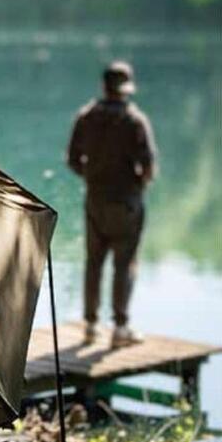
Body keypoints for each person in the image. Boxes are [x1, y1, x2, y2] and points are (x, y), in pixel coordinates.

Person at [66, 61, 157, 347]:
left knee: (93, 262)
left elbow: (72, 160)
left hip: (94, 200)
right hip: (126, 202)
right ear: (126, 89)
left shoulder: (86, 117)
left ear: (104, 87)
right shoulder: (134, 121)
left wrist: (91, 178)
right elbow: (149, 166)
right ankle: (120, 329)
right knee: (124, 264)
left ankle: (91, 326)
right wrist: (139, 186)